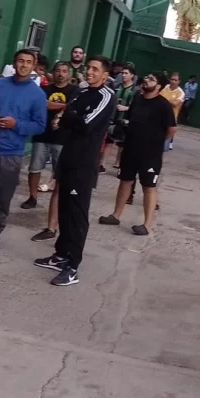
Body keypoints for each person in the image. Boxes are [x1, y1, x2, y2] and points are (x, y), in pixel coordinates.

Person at [34, 56, 115, 286]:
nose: (89, 72)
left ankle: (72, 266)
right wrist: (69, 116)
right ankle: (61, 255)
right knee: (65, 208)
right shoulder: (82, 91)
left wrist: (68, 116)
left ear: (104, 75)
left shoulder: (106, 96)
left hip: (83, 163)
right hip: (68, 156)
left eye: (95, 69)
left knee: (77, 214)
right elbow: (68, 115)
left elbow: (85, 124)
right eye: (88, 68)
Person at [0, 49, 46, 258]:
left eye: (28, 62)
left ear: (33, 66)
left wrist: (16, 124)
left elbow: (39, 125)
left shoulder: (37, 94)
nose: (24, 65)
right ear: (14, 63)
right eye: (20, 61)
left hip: (12, 152)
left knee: (3, 198)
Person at [98, 71, 176, 236]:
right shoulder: (138, 99)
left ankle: (147, 225)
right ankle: (115, 215)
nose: (146, 80)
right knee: (125, 181)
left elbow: (171, 129)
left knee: (148, 186)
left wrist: (156, 142)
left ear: (159, 86)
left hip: (150, 154)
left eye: (151, 79)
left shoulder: (164, 106)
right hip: (131, 148)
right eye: (147, 77)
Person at [21, 62, 77, 212]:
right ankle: (32, 197)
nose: (61, 74)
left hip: (63, 137)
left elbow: (74, 107)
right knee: (34, 168)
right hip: (42, 134)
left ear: (69, 74)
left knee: (60, 172)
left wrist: (62, 106)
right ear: (53, 72)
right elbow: (42, 104)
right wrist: (64, 105)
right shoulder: (44, 89)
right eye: (58, 70)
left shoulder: (74, 90)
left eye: (64, 71)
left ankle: (59, 200)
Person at [101, 64, 136, 172]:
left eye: (126, 73)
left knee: (122, 144)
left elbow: (136, 106)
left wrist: (126, 108)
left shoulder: (135, 90)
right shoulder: (116, 86)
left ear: (132, 75)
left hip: (125, 120)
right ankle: (102, 164)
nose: (123, 75)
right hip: (113, 117)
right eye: (122, 73)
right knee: (108, 141)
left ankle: (120, 165)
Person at [160, 72, 184, 150]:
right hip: (160, 115)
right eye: (172, 79)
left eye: (175, 80)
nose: (173, 81)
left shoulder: (181, 93)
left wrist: (164, 99)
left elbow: (175, 104)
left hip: (172, 118)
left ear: (179, 81)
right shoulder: (165, 87)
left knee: (165, 145)